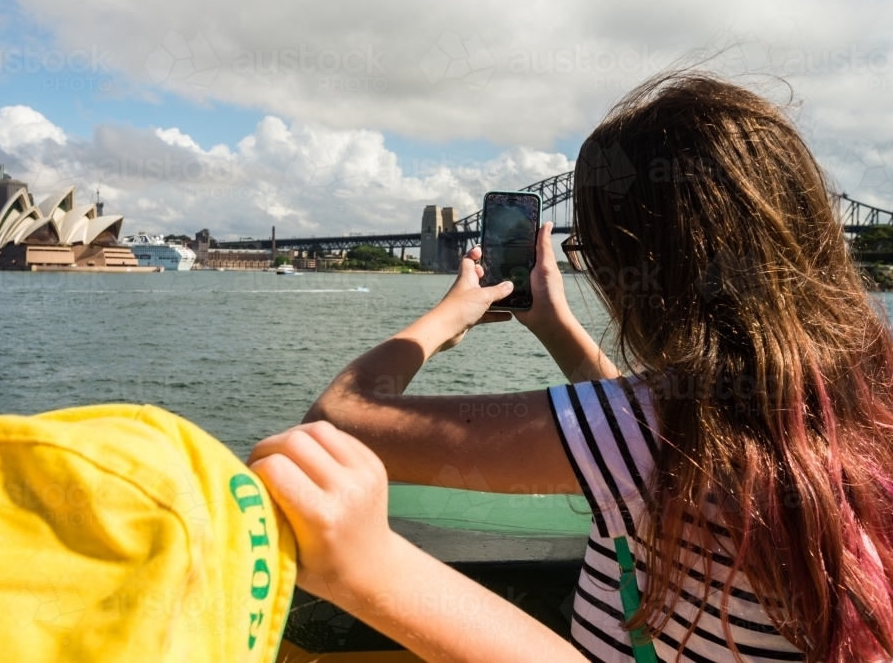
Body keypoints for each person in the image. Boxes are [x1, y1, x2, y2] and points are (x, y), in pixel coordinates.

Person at [248, 72, 893, 662]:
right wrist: (553, 323)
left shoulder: (651, 424)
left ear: (638, 269)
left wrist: (445, 320)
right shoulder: (860, 396)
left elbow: (337, 422)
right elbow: (657, 446)